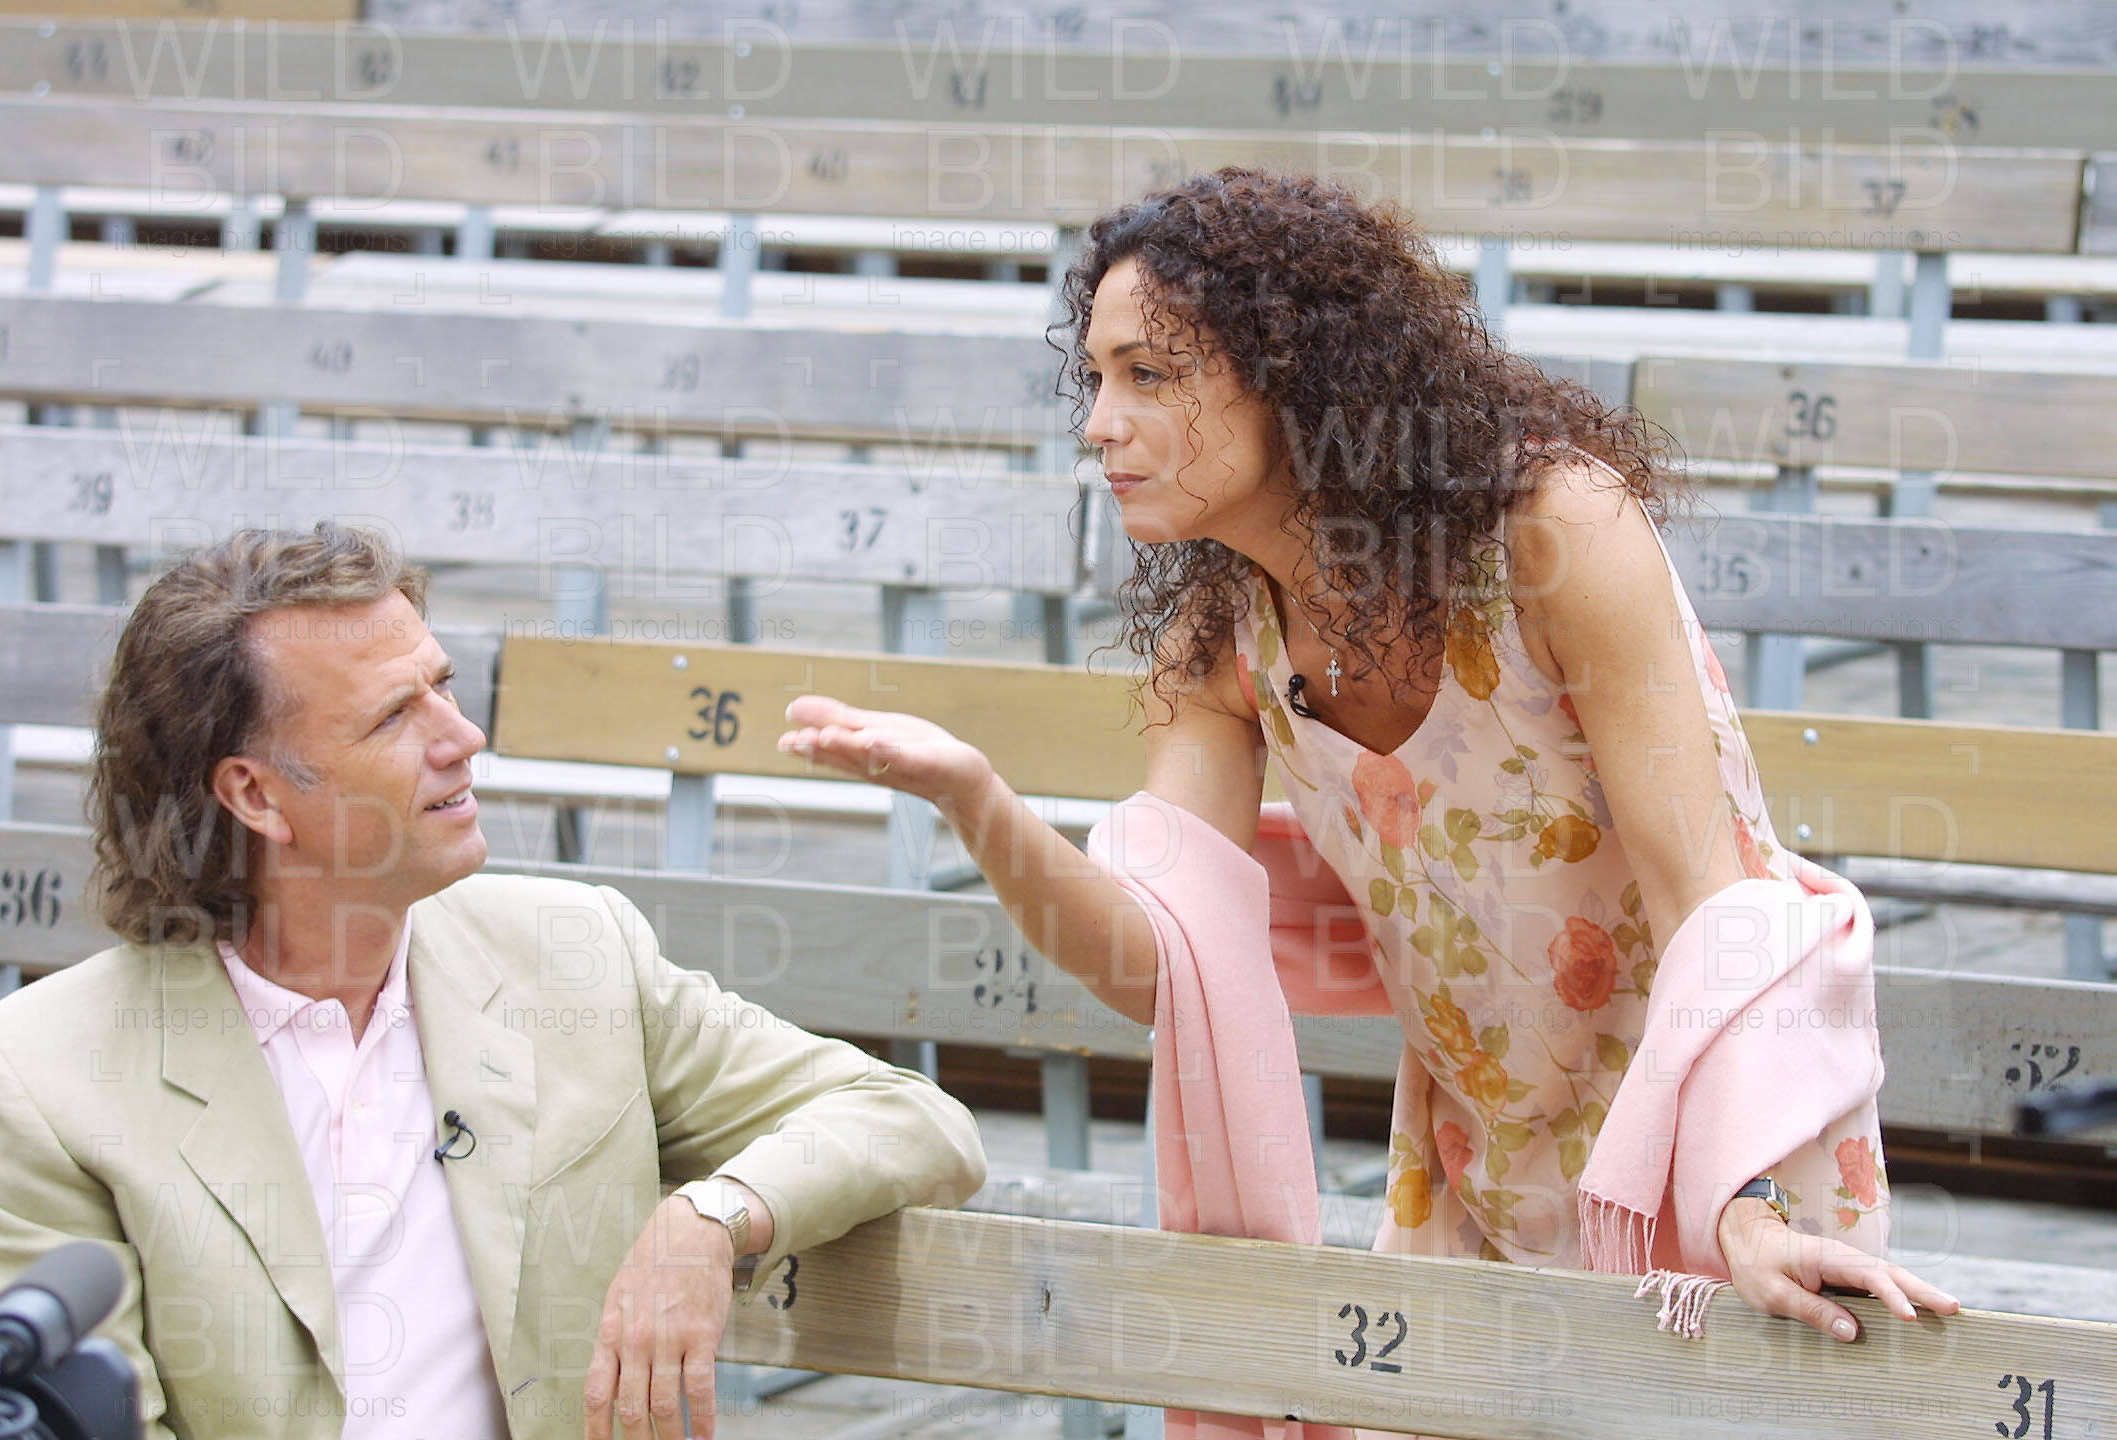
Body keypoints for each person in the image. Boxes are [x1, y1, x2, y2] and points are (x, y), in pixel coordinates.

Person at [780, 170, 1957, 1356]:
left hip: (1729, 1147)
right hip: (1476, 1163)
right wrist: (976, 800)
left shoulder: (1555, 531)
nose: (1098, 423)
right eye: (1098, 377)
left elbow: (1704, 891)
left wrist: (1744, 1201)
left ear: (1291, 377)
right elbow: (1158, 969)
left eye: (1149, 374)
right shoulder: (1222, 642)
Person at [0, 525, 986, 1440]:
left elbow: (911, 1120)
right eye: (393, 717)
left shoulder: (573, 954)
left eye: (442, 686)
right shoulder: (37, 1084)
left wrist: (712, 1218)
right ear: (256, 795)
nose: (462, 737)